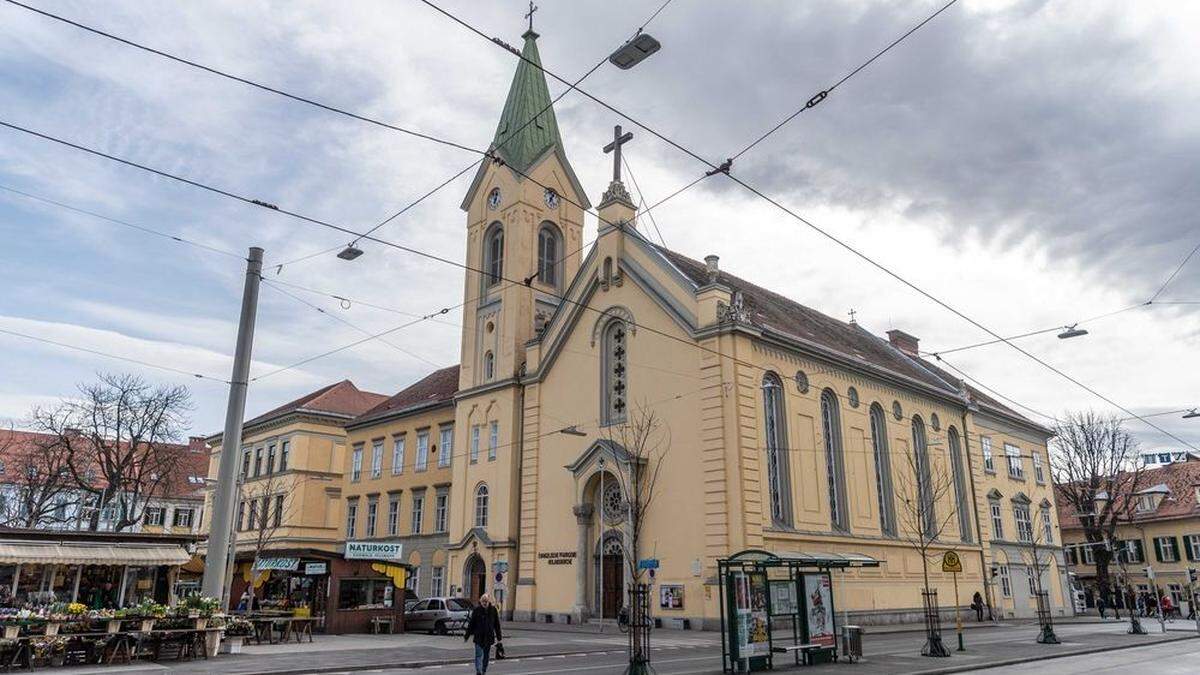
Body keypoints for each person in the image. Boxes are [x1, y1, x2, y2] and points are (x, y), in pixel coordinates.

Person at [464, 593, 502, 675]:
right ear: (480, 602)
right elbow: (472, 623)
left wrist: (499, 638)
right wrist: (467, 635)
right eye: (483, 601)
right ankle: (479, 671)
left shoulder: (493, 610)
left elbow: (497, 625)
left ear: (489, 602)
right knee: (478, 655)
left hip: (488, 637)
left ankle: (484, 669)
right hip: (478, 637)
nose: (484, 603)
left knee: (486, 655)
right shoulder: (477, 610)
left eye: (486, 601)